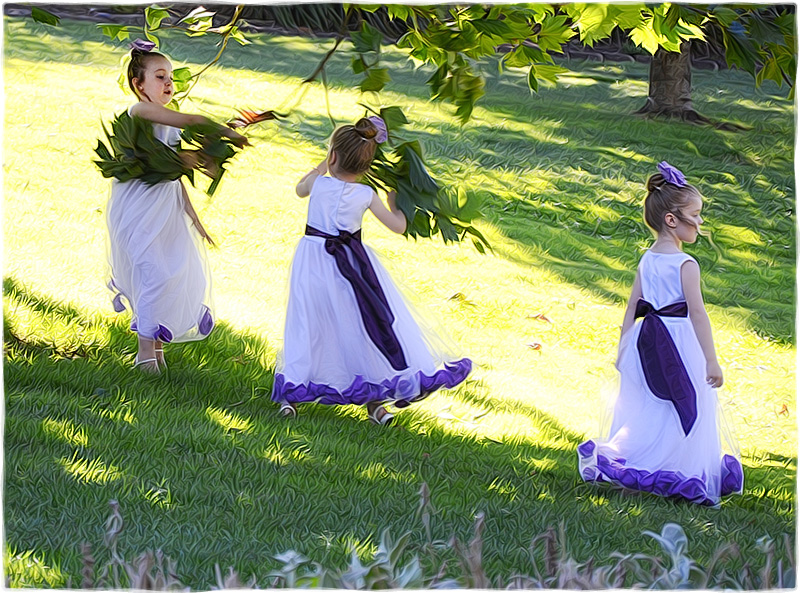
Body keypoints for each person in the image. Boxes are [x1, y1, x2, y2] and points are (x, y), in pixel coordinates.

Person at [272, 116, 472, 425]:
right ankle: (375, 402)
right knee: (361, 325)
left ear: (333, 156)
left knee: (306, 323)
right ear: (367, 165)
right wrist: (396, 202)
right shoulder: (367, 195)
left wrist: (319, 167)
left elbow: (299, 189)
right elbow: (399, 226)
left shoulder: (318, 183)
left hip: (312, 262)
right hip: (353, 268)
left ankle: (292, 394)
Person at [578, 162, 743, 506]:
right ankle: (679, 466)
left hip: (645, 343)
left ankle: (650, 462)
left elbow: (631, 309)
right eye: (695, 215)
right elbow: (697, 314)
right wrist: (711, 361)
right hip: (679, 343)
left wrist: (624, 348)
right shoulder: (686, 265)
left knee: (651, 405)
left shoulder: (647, 260)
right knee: (683, 402)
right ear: (672, 220)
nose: (700, 223)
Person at [106, 40, 248, 373]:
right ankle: (144, 355)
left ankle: (156, 350)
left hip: (165, 205)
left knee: (168, 273)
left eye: (170, 76)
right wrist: (224, 131)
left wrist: (195, 218)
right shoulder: (139, 111)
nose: (169, 83)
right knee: (153, 272)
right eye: (159, 76)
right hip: (139, 205)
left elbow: (173, 174)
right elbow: (193, 119)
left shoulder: (166, 122)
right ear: (138, 85)